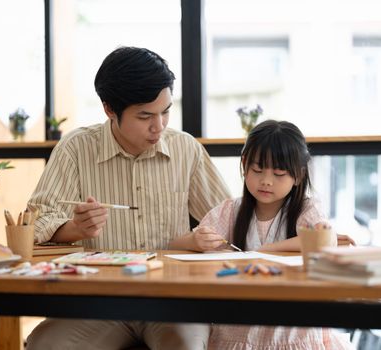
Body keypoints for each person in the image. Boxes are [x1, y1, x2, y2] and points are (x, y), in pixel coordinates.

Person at [25, 46, 231, 350]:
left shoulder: (185, 149)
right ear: (110, 109)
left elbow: (230, 222)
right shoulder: (76, 149)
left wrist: (205, 239)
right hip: (97, 305)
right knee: (47, 346)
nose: (158, 126)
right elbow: (35, 223)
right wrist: (76, 228)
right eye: (145, 115)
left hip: (172, 303)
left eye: (166, 112)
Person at [170, 119, 354, 349]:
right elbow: (175, 244)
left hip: (291, 330)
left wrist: (268, 249)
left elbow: (326, 241)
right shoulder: (231, 210)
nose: (266, 181)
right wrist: (195, 240)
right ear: (244, 164)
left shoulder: (306, 209)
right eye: (257, 170)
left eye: (278, 173)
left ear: (298, 175)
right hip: (237, 326)